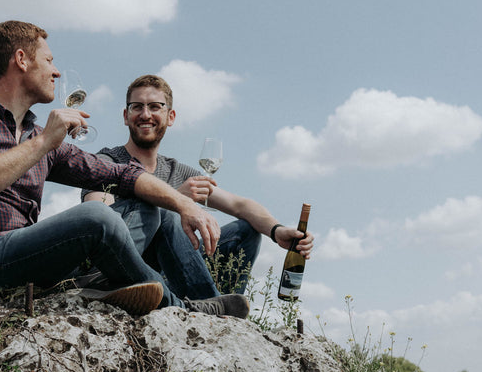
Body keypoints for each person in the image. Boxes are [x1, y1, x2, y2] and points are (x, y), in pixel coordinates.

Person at [0, 21, 250, 317]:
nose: (56, 72)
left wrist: (184, 204)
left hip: (28, 267)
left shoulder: (40, 137)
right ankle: (180, 309)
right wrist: (43, 143)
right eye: (49, 60)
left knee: (155, 208)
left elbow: (121, 175)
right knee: (95, 216)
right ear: (21, 60)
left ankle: (208, 307)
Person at [82, 74, 313, 300]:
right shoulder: (107, 162)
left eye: (155, 107)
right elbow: (101, 221)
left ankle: (224, 304)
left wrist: (277, 231)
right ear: (126, 116)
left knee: (245, 232)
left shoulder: (178, 171)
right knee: (167, 215)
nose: (145, 114)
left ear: (170, 116)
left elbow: (240, 205)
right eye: (137, 107)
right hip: (129, 271)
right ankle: (216, 309)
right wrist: (175, 199)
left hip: (176, 274)